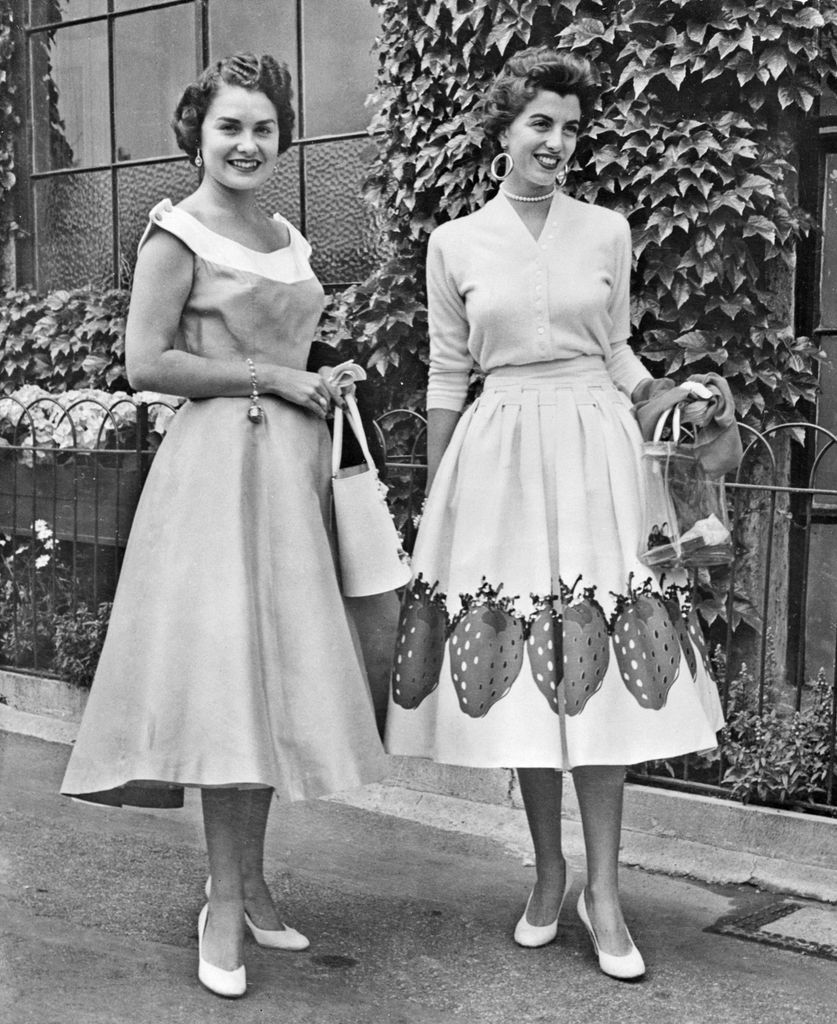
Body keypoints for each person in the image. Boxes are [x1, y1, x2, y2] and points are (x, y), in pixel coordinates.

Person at [384, 46, 724, 981]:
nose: (558, 142)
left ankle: (603, 892)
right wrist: (435, 504)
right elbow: (448, 373)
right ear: (503, 128)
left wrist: (673, 396)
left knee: (602, 679)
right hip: (496, 458)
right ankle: (546, 873)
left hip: (592, 451)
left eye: (572, 128)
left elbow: (616, 356)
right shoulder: (453, 244)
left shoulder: (606, 230)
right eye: (541, 123)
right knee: (533, 680)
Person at [60, 52, 384, 999]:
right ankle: (225, 904)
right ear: (196, 134)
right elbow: (145, 362)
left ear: (282, 137)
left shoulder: (288, 234)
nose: (247, 144)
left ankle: (245, 884)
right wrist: (272, 377)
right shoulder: (176, 232)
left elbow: (291, 346)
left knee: (273, 682)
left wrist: (322, 378)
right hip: (213, 479)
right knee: (228, 690)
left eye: (263, 128)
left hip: (290, 478)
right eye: (229, 126)